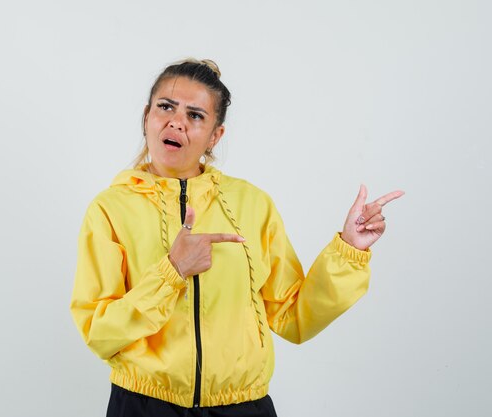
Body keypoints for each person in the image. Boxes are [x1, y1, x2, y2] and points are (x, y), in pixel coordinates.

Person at [70, 58, 404, 417]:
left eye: (195, 115)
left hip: (243, 408)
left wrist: (349, 250)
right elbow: (100, 333)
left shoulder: (252, 204)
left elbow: (293, 317)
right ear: (147, 115)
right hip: (142, 406)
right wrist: (172, 271)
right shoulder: (109, 209)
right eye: (165, 107)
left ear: (216, 135)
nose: (176, 121)